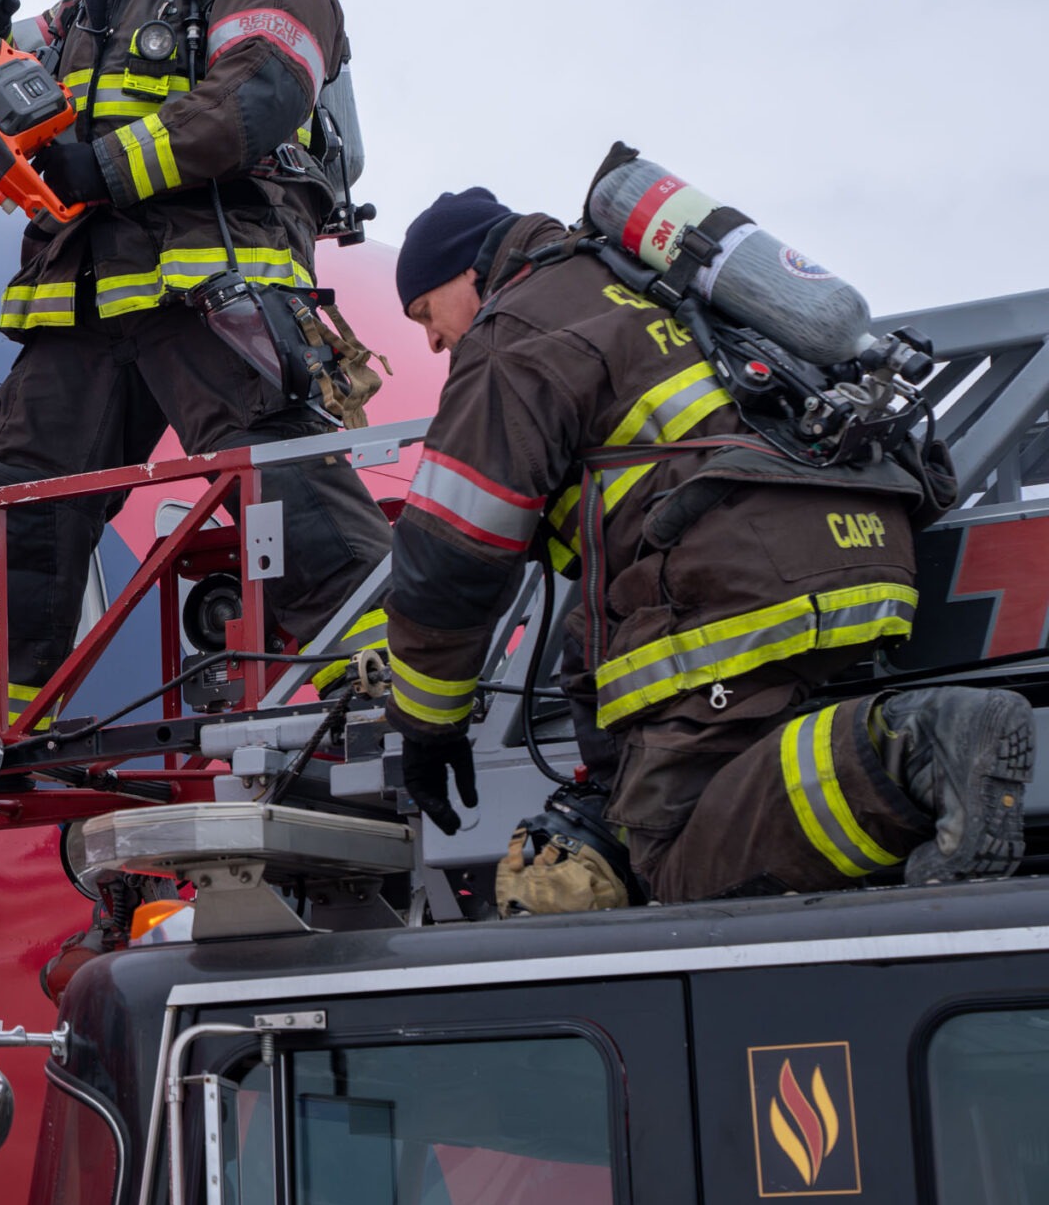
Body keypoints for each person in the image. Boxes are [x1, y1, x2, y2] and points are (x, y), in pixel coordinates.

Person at [384, 184, 1032, 901]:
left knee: (672, 859)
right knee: (734, 777)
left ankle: (913, 746)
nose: (434, 340)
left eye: (425, 313)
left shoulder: (515, 333)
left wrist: (428, 724)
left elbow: (449, 553)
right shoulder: (638, 282)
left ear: (468, 273)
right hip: (859, 541)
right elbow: (595, 618)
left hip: (745, 582)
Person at [0, 0, 390, 732]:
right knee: (21, 487)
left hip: (210, 275)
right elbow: (14, 103)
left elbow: (256, 95)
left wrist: (97, 170)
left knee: (277, 472)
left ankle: (388, 676)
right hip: (84, 292)